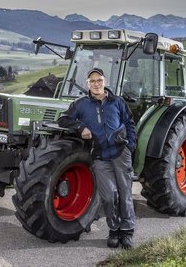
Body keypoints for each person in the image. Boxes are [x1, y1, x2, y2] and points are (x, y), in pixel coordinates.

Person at [57, 68, 137, 249]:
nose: (96, 84)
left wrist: (130, 145)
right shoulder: (81, 104)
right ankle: (114, 230)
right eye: (92, 81)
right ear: (88, 84)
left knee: (125, 194)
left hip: (120, 153)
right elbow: (63, 119)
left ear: (104, 81)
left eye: (99, 80)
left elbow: (129, 123)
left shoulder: (117, 102)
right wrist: (80, 127)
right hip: (100, 156)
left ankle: (127, 232)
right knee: (109, 196)